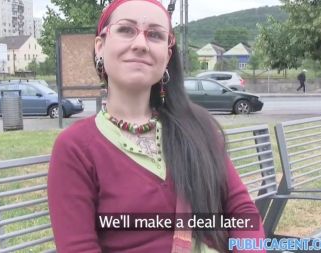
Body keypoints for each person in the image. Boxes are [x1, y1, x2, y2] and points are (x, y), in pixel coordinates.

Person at [47, 0, 265, 252]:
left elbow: (242, 212)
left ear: (167, 55)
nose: (140, 44)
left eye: (155, 35)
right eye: (126, 30)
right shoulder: (76, 148)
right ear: (100, 46)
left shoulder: (196, 127)